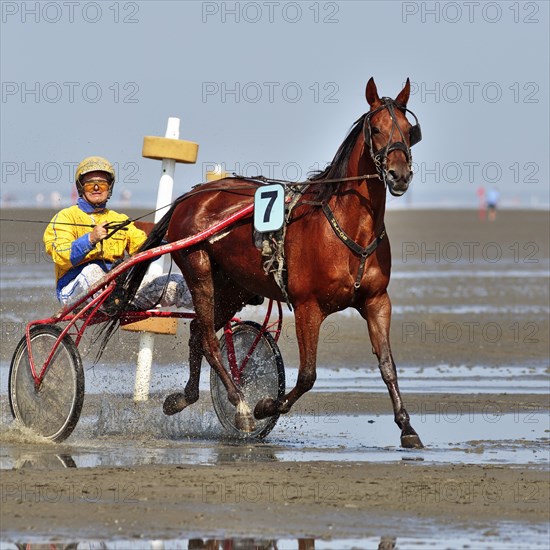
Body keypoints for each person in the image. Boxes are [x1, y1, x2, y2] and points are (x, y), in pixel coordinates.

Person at [43, 156, 192, 311]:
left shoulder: (119, 219)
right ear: (81, 187)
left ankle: (214, 316)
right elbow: (60, 255)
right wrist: (90, 239)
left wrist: (169, 238)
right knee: (93, 270)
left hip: (118, 290)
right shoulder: (65, 217)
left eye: (102, 184)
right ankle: (112, 300)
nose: (96, 188)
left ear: (109, 188)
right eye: (90, 184)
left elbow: (142, 247)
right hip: (75, 292)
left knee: (176, 283)